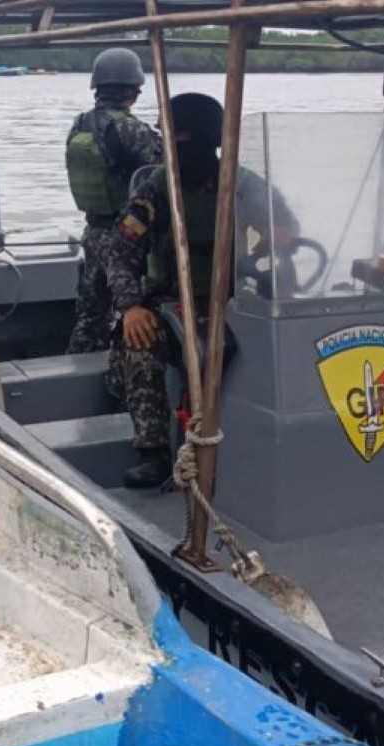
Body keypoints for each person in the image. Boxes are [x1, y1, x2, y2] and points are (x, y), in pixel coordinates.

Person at [101, 92, 293, 488]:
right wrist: (132, 306)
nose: (180, 151)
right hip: (169, 302)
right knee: (140, 342)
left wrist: (280, 233)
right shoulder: (156, 188)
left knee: (284, 332)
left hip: (234, 299)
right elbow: (119, 253)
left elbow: (283, 219)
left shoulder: (237, 182)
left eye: (186, 141)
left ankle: (279, 432)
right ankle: (153, 451)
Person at [64, 47, 161, 354]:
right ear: (133, 91)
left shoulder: (79, 124)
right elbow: (165, 174)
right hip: (126, 237)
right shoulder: (131, 128)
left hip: (92, 232)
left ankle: (77, 365)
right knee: (134, 312)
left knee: (90, 315)